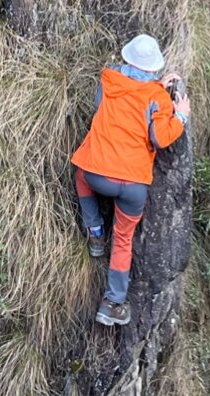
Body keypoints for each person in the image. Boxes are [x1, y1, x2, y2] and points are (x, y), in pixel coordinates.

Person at [71, 34, 190, 327]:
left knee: (80, 175)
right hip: (134, 185)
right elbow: (160, 137)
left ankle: (96, 233)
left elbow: (118, 99)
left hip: (98, 173)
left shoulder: (108, 80)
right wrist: (181, 116)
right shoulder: (158, 98)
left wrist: (154, 89)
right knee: (123, 241)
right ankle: (113, 303)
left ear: (127, 60)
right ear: (155, 69)